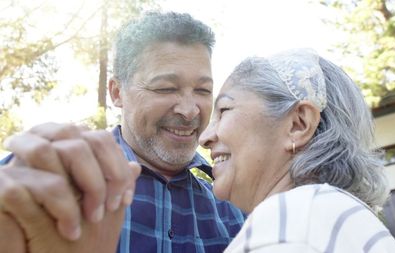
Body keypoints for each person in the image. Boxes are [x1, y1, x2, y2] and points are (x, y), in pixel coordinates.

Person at [0, 11, 244, 253]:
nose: (190, 111)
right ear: (117, 93)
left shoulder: (234, 212)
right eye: (166, 88)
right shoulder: (49, 179)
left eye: (203, 90)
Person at [198, 48, 395, 252]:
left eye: (224, 110)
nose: (204, 138)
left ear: (298, 124)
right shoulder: (340, 221)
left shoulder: (292, 220)